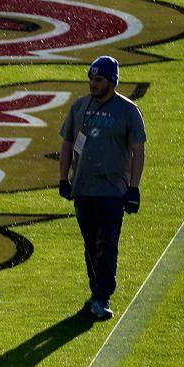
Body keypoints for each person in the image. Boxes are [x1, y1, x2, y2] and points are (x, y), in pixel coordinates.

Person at [58, 55, 146, 322]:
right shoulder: (79, 107)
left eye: (98, 80)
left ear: (112, 81)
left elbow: (138, 151)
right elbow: (66, 143)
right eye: (91, 79)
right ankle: (96, 293)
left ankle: (102, 297)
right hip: (83, 188)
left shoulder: (128, 111)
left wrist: (134, 188)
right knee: (90, 244)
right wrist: (63, 178)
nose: (93, 84)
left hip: (112, 190)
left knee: (106, 245)